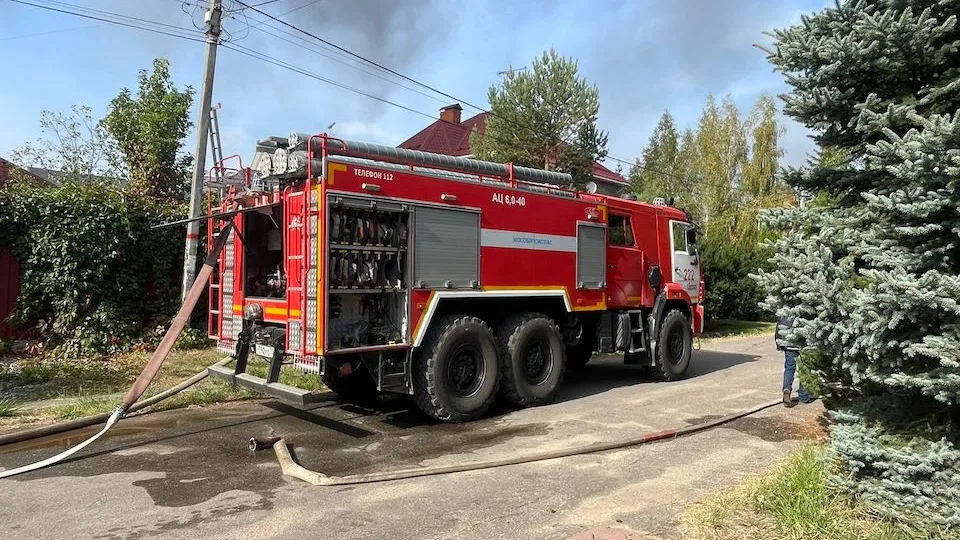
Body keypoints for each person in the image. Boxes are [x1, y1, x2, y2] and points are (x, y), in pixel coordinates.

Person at [776, 315, 812, 407]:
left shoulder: (785, 310)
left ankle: (786, 389)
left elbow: (779, 326)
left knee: (789, 368)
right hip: (804, 344)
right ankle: (804, 397)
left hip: (788, 344)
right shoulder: (804, 307)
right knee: (805, 368)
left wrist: (779, 343)